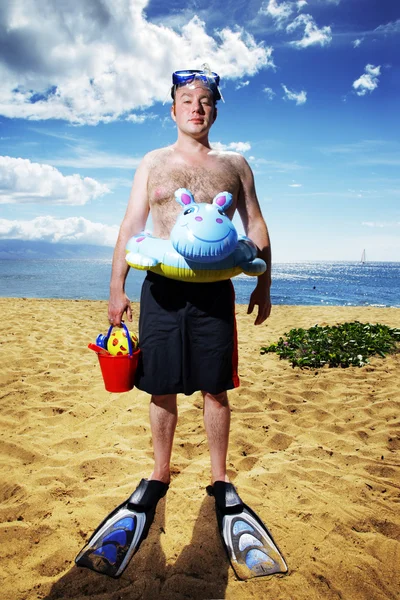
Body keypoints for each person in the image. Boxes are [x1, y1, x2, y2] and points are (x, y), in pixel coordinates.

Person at [108, 67, 272, 488]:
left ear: (214, 111)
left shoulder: (234, 165)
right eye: (187, 101)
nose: (196, 108)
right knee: (160, 386)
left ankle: (219, 477)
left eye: (205, 101)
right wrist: (116, 289)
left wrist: (264, 283)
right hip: (161, 291)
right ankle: (161, 470)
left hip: (214, 291)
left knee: (215, 388)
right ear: (173, 109)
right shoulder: (153, 162)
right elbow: (131, 225)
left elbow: (255, 224)